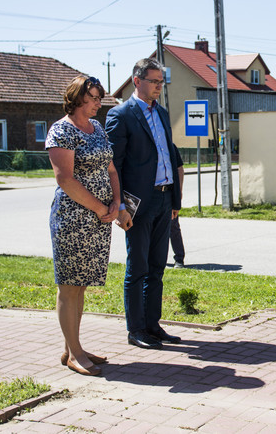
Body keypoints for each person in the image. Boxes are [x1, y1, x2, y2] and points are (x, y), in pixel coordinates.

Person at [106, 58, 182, 350]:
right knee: (137, 267)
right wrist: (120, 205)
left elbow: (170, 159)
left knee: (157, 267)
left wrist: (174, 200)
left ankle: (152, 325)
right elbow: (115, 166)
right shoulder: (120, 115)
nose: (158, 87)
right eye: (154, 81)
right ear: (137, 81)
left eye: (161, 82)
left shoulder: (162, 114)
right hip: (137, 203)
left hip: (164, 199)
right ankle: (135, 329)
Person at [46, 76, 120, 377]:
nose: (98, 102)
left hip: (99, 218)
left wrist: (117, 203)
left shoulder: (97, 128)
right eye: (93, 97)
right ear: (76, 98)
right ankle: (75, 353)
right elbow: (65, 179)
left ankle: (72, 347)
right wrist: (101, 207)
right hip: (73, 218)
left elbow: (111, 168)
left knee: (82, 285)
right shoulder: (62, 130)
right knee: (69, 286)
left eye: (100, 97)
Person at [169, 144, 186, 269]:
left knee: (173, 226)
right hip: (149, 195)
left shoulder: (170, 146)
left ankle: (179, 258)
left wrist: (178, 191)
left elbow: (179, 168)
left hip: (168, 193)